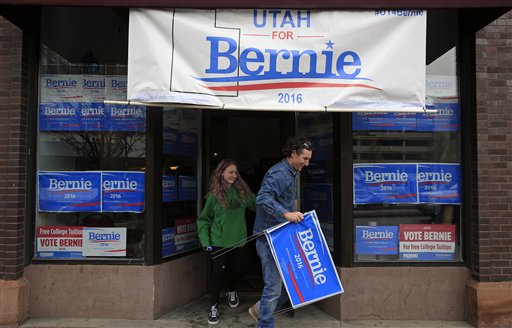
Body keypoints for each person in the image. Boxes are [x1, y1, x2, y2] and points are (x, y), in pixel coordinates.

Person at [249, 137, 313, 328]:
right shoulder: (279, 173)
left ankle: (261, 309)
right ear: (293, 153)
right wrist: (286, 214)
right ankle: (265, 323)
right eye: (304, 158)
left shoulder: (291, 172)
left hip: (281, 236)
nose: (307, 163)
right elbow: (262, 198)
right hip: (269, 238)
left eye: (309, 159)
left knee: (291, 285)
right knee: (274, 287)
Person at [197, 159, 256, 325]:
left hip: (239, 241)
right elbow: (203, 220)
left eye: (236, 173)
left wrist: (281, 211)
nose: (233, 175)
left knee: (237, 270)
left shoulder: (243, 193)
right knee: (217, 275)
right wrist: (205, 240)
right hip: (218, 242)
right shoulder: (214, 197)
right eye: (230, 172)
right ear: (221, 173)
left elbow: (259, 204)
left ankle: (232, 290)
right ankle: (214, 307)